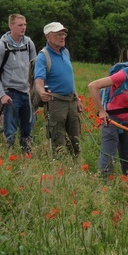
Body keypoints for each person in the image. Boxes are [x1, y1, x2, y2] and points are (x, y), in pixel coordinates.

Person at [88, 42, 128, 176]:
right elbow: (93, 86)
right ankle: (104, 182)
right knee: (108, 154)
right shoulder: (122, 76)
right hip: (112, 120)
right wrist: (101, 111)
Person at [0, 14, 36, 153]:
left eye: (25, 25)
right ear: (11, 26)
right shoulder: (1, 46)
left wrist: (36, 90)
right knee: (10, 129)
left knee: (28, 128)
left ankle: (26, 155)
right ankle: (9, 156)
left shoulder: (29, 44)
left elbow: (35, 67)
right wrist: (2, 94)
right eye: (20, 25)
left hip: (27, 91)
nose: (23, 28)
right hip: (10, 92)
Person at [33, 22, 82, 159]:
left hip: (71, 101)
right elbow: (39, 79)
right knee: (57, 137)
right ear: (48, 37)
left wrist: (77, 98)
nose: (62, 37)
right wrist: (41, 92)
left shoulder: (65, 52)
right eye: (58, 34)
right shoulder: (43, 56)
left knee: (75, 136)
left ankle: (76, 163)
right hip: (56, 102)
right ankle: (60, 166)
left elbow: (70, 79)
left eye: (63, 34)